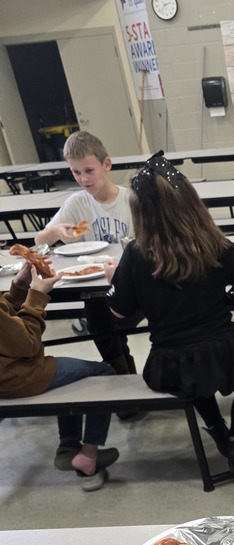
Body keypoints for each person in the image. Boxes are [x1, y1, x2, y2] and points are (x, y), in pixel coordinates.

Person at [105, 151, 234, 475]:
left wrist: (116, 277)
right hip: (224, 350)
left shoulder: (135, 255)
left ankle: (217, 430)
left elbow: (118, 311)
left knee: (191, 382)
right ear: (191, 204)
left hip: (169, 360)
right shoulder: (210, 243)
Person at [0, 260, 118, 492]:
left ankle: (68, 443)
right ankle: (88, 456)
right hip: (14, 379)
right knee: (104, 373)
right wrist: (36, 296)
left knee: (66, 370)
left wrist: (18, 288)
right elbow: (28, 345)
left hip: (9, 374)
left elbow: (4, 324)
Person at [34, 130, 139, 385]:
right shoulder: (76, 202)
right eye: (76, 172)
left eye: (89, 171)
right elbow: (39, 242)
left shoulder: (131, 200)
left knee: (109, 322)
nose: (83, 179)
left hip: (132, 285)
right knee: (100, 323)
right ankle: (123, 381)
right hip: (94, 288)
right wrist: (56, 232)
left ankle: (127, 378)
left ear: (107, 164)